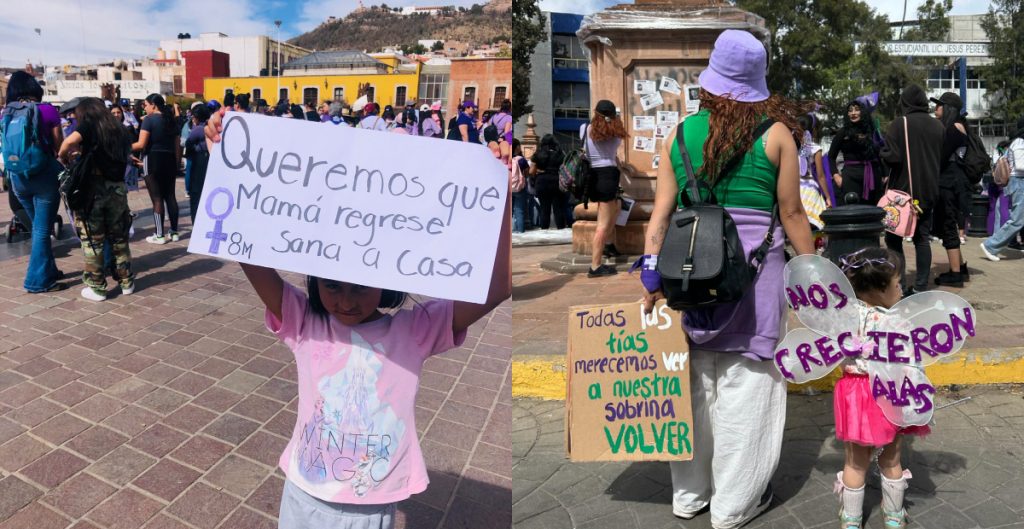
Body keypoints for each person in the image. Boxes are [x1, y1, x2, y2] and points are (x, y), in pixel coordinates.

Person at [203, 106, 511, 529]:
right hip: (302, 494)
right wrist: (227, 159)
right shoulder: (304, 322)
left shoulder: (415, 331)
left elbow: (498, 287)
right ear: (315, 282)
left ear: (385, 284)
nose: (345, 301)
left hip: (369, 507)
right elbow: (247, 254)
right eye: (332, 286)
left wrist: (501, 195)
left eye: (359, 288)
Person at [639, 30, 814, 529]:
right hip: (756, 274)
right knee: (748, 385)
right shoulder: (777, 134)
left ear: (712, 82)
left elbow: (660, 216)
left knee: (693, 384)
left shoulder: (680, 134)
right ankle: (735, 504)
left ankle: (689, 496)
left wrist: (652, 274)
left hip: (691, 267)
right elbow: (793, 213)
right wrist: (817, 281)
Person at [832, 247, 928, 529]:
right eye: (897, 284)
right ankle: (894, 516)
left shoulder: (844, 318)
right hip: (889, 391)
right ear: (880, 290)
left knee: (855, 461)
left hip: (854, 394)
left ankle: (851, 520)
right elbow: (911, 362)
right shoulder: (897, 321)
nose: (901, 289)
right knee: (891, 457)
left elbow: (835, 355)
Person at [56, 97, 136, 301]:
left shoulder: (89, 125)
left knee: (93, 240)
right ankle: (127, 282)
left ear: (85, 112)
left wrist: (63, 155)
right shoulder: (118, 127)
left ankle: (97, 287)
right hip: (117, 189)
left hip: (94, 189)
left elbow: (69, 141)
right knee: (120, 238)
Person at [1, 71, 67, 293]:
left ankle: (48, 270)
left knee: (41, 227)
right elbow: (59, 146)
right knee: (41, 230)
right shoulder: (47, 110)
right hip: (43, 177)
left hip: (17, 179)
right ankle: (36, 281)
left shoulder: (6, 114)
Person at [880, 85, 944, 296]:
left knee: (893, 238)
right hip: (928, 190)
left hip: (903, 193)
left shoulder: (900, 124)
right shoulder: (938, 126)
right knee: (921, 238)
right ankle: (921, 285)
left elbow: (894, 157)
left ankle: (899, 284)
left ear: (904, 102)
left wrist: (883, 151)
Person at [926, 92, 971, 287]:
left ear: (949, 109)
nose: (936, 109)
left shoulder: (953, 129)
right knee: (949, 224)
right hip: (952, 182)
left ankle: (955, 274)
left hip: (949, 183)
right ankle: (959, 267)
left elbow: (940, 157)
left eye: (939, 105)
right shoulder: (956, 127)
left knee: (948, 224)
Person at [581, 99, 629, 277]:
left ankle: (608, 245)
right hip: (607, 175)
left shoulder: (585, 129)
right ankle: (595, 266)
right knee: (602, 224)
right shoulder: (615, 132)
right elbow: (613, 149)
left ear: (596, 112)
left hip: (593, 176)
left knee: (615, 208)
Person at [131, 93, 181, 244]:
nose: (144, 108)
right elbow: (177, 144)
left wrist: (122, 147)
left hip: (152, 159)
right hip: (170, 159)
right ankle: (174, 231)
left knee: (157, 198)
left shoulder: (149, 120)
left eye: (145, 105)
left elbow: (141, 144)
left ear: (153, 105)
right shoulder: (170, 120)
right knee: (170, 197)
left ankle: (159, 235)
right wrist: (177, 162)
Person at [981, 116, 1024, 261]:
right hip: (1019, 182)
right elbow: (1020, 166)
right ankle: (990, 245)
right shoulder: (1019, 142)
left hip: (1019, 182)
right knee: (1017, 220)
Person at [828, 97, 883, 205]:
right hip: (850, 178)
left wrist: (884, 175)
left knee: (873, 213)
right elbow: (831, 156)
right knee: (852, 213)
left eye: (857, 109)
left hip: (873, 176)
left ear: (863, 111)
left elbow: (879, 153)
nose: (853, 113)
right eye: (850, 110)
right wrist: (836, 175)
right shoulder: (843, 133)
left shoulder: (871, 131)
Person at [796, 114, 829, 231]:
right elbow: (820, 176)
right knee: (813, 226)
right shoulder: (815, 148)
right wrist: (828, 197)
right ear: (813, 129)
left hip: (794, 188)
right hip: (810, 190)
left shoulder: (791, 145)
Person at [529, 135, 569, 230]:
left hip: (542, 182)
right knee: (558, 209)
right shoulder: (560, 154)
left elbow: (531, 172)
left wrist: (540, 171)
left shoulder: (538, 154)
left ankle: (544, 230)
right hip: (556, 181)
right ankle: (561, 229)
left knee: (544, 209)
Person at [185, 104, 211, 224]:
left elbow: (188, 145)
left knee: (196, 194)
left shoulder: (198, 130)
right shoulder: (210, 127)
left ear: (196, 117)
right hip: (208, 161)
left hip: (199, 161)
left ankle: (196, 222)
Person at [511, 139, 530, 233]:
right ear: (517, 147)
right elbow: (527, 173)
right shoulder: (521, 160)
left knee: (507, 213)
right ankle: (520, 232)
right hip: (519, 188)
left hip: (507, 188)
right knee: (519, 211)